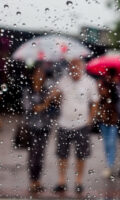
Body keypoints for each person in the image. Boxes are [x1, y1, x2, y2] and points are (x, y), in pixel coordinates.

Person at [34, 59, 99, 193]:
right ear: (69, 68)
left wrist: (90, 119)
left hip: (82, 124)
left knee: (81, 155)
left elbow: (94, 101)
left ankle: (78, 181)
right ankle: (62, 181)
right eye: (72, 67)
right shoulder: (63, 81)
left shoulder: (89, 82)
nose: (74, 70)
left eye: (77, 67)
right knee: (62, 154)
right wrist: (54, 96)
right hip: (64, 123)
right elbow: (52, 100)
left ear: (82, 68)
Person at [23, 67, 51, 193]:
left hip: (45, 127)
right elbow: (29, 107)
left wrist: (51, 101)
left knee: (40, 154)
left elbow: (52, 111)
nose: (40, 76)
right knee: (33, 155)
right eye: (37, 74)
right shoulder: (27, 91)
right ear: (32, 76)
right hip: (32, 127)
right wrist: (45, 104)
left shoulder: (46, 91)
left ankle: (38, 180)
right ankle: (32, 180)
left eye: (42, 74)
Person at [97, 69, 119, 178]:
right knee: (106, 143)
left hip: (114, 119)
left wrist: (115, 86)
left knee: (111, 142)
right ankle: (108, 163)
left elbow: (119, 101)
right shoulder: (101, 85)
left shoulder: (117, 87)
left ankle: (110, 165)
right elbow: (98, 100)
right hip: (104, 118)